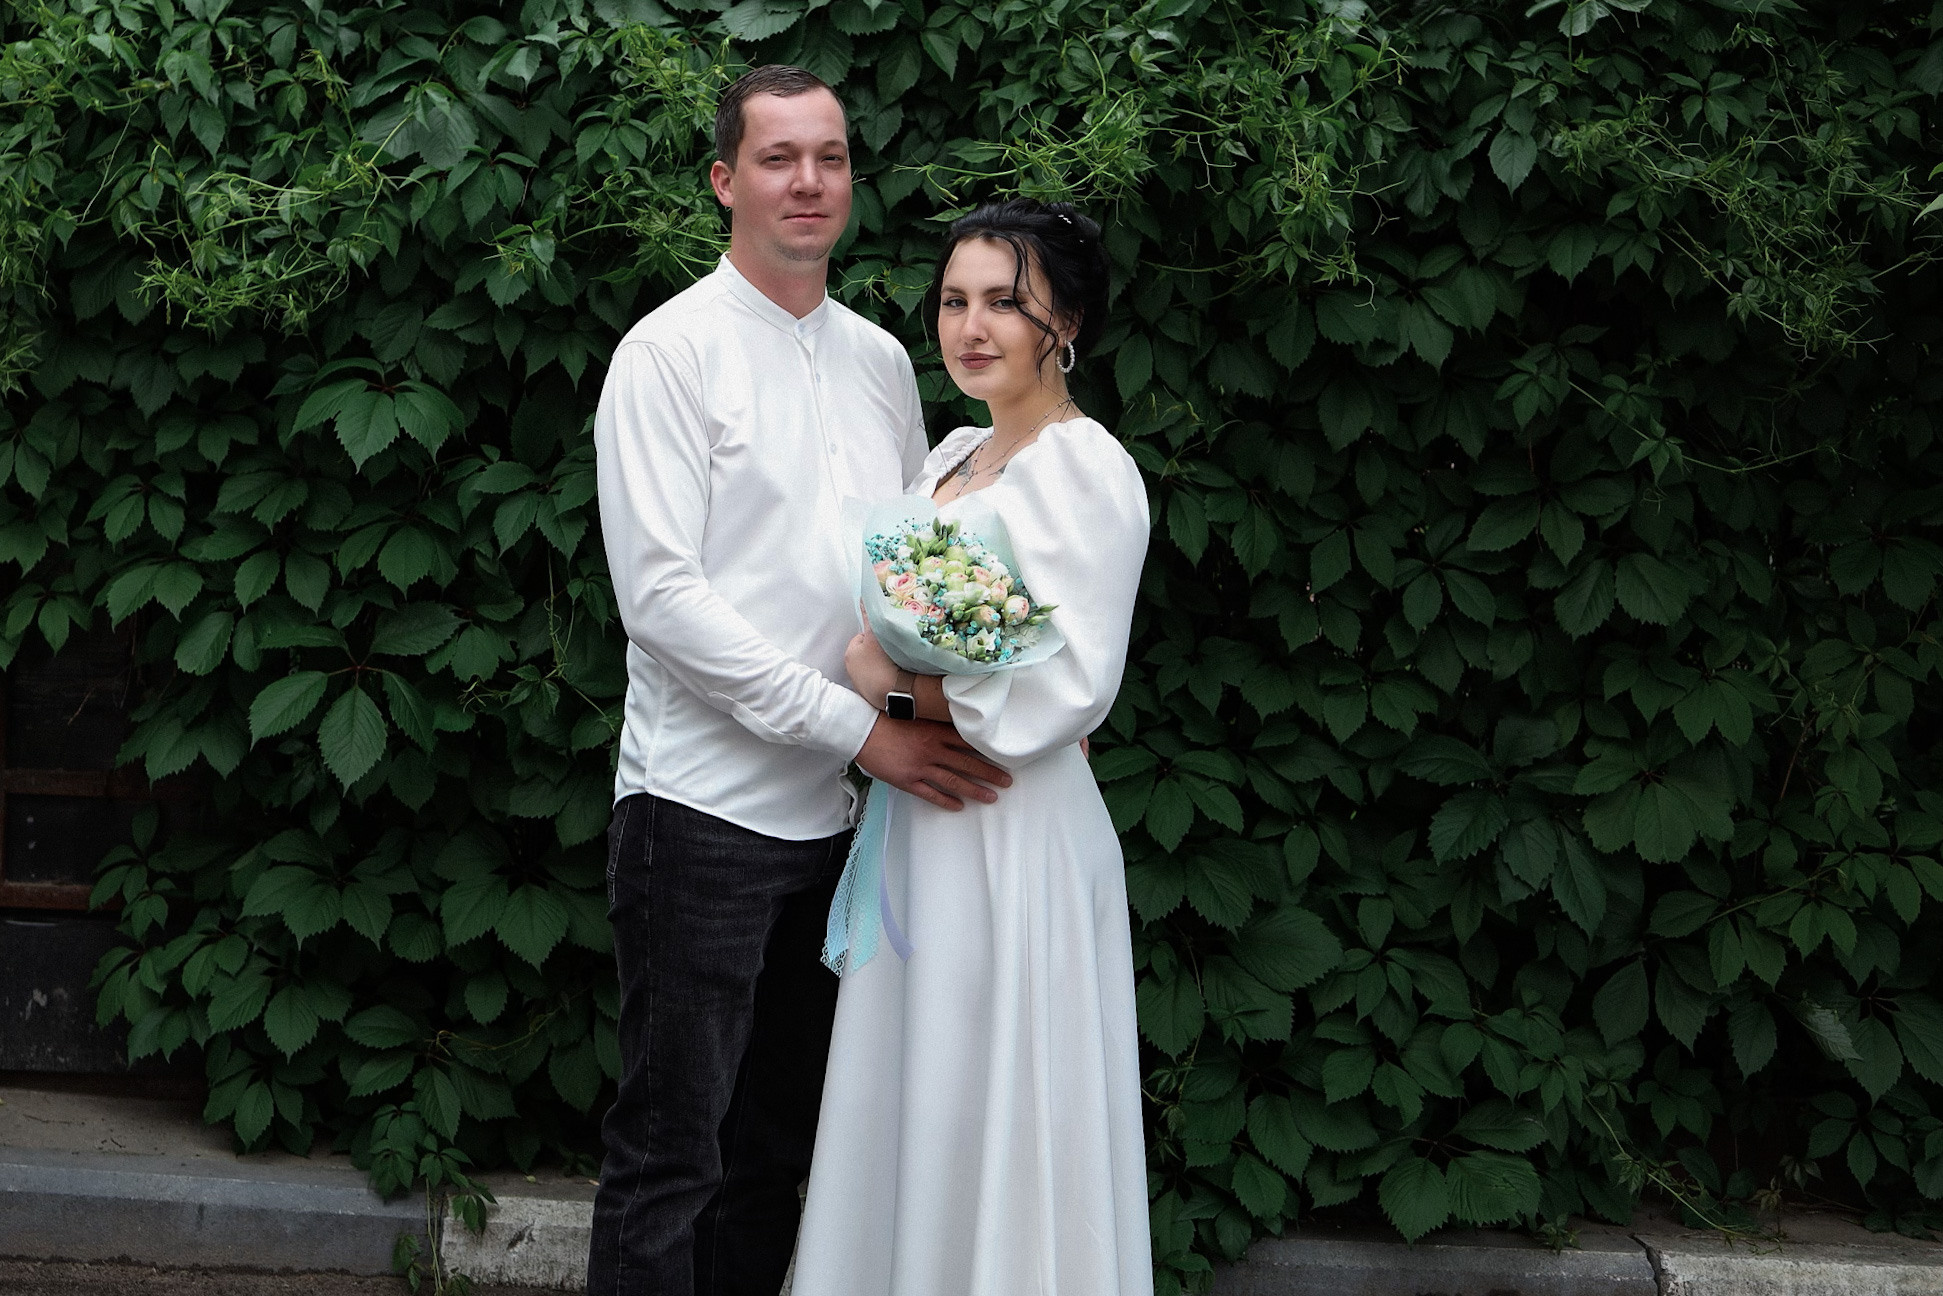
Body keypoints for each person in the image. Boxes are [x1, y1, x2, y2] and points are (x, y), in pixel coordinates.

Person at [587, 66, 1012, 1296]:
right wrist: (858, 732)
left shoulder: (883, 361)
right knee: (672, 1154)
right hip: (698, 817)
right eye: (777, 158)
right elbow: (663, 603)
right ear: (725, 181)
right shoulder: (665, 356)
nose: (807, 181)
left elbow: (896, 585)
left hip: (839, 827)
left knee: (777, 1154)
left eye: (828, 156)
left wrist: (985, 711)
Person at [790, 199, 1154, 1295]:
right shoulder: (952, 454)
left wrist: (883, 688)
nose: (971, 324)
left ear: (1067, 320)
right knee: (917, 1093)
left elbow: (1059, 688)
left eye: (1005, 300)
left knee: (1003, 1098)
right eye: (954, 300)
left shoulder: (1083, 470)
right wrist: (892, 686)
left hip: (1010, 830)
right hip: (923, 833)